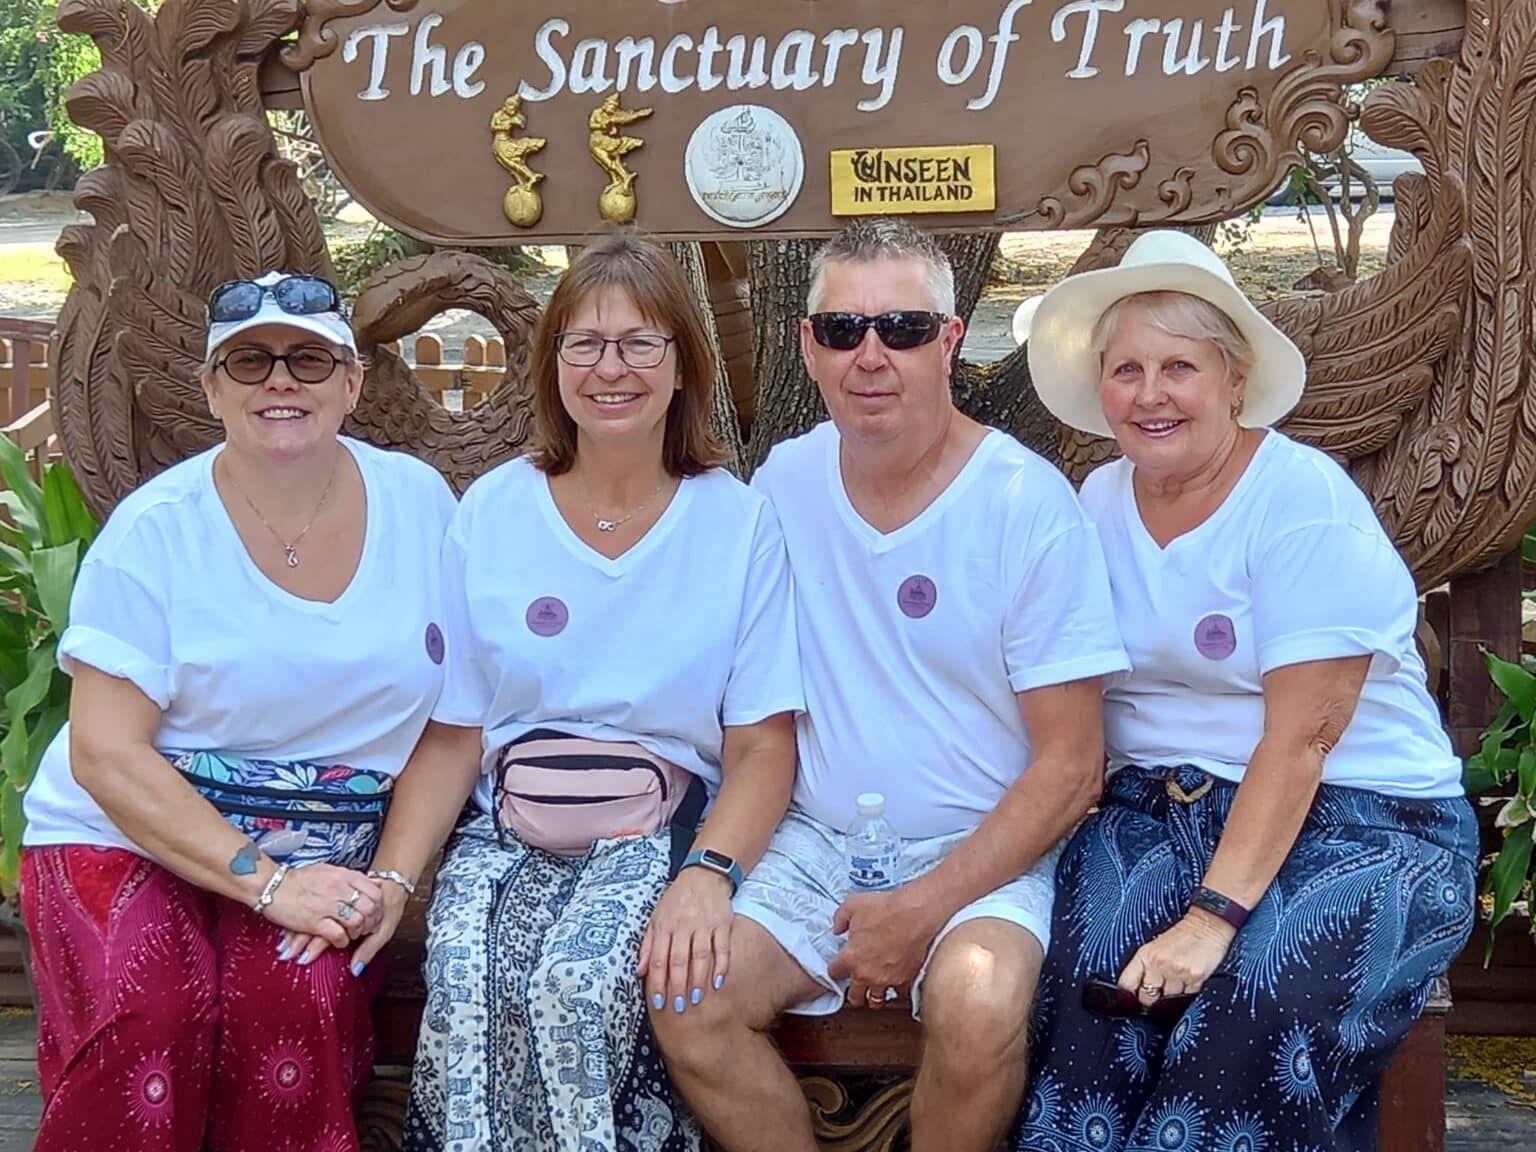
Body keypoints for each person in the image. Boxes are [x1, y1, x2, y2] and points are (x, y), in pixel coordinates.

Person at [650, 217, 1130, 1152]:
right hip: (817, 841)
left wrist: (922, 908)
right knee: (689, 995)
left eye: (904, 328)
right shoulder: (782, 487)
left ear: (950, 342)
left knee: (979, 1002)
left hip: (983, 845)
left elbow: (1072, 767)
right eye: (843, 329)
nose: (872, 354)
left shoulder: (1024, 504)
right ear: (808, 347)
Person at [1012, 230, 1478, 1151]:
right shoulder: (1095, 501)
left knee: (1254, 1005)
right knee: (1088, 994)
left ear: (1233, 380)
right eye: (1127, 369)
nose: (1151, 394)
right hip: (1154, 811)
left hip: (1363, 819)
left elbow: (1302, 740)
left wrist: (1211, 917)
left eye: (1179, 366)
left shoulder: (1301, 502)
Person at [347, 231, 803, 1152]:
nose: (612, 368)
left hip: (661, 825)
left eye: (641, 343)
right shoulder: (494, 510)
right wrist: (394, 878)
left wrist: (710, 879)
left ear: (683, 364)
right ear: (553, 363)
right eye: (585, 343)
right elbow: (456, 733)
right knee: (465, 974)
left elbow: (763, 745)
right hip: (511, 823)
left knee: (587, 979)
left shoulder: (738, 520)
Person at [19, 272, 457, 1152]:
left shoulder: (423, 506)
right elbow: (107, 753)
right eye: (249, 362)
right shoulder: (155, 531)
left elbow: (455, 725)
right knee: (150, 1007)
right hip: (127, 830)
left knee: (296, 1002)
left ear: (352, 383)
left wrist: (396, 882)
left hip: (325, 847)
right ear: (213, 388)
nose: (280, 383)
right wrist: (270, 885)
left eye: (308, 359)